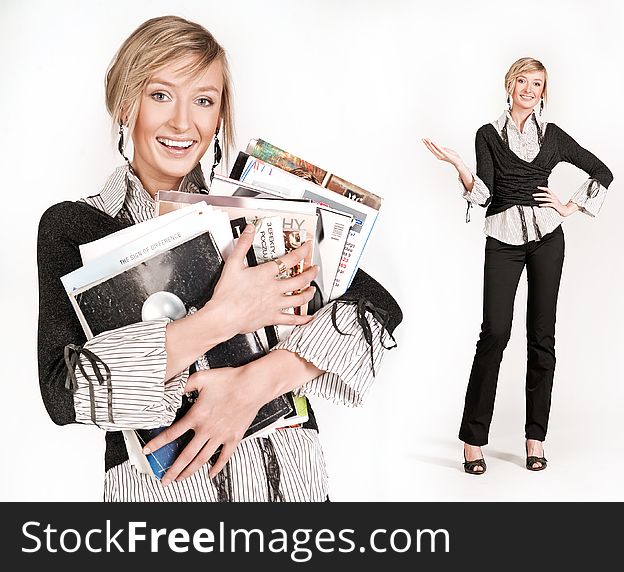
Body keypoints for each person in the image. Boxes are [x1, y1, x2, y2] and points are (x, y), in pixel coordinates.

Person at [36, 15, 401, 501]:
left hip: (289, 480)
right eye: (160, 95)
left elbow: (376, 308)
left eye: (204, 101)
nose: (182, 123)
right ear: (126, 104)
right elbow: (66, 392)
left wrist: (257, 382)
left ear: (219, 118)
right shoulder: (74, 227)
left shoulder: (253, 211)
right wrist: (224, 317)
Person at [423, 57, 613, 474]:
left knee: (542, 337)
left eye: (538, 84)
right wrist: (459, 167)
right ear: (509, 85)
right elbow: (486, 195)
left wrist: (569, 206)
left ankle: (535, 439)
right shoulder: (488, 135)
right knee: (495, 332)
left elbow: (602, 171)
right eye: (523, 81)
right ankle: (473, 441)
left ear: (544, 92)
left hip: (548, 240)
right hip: (503, 241)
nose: (530, 89)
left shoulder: (554, 137)